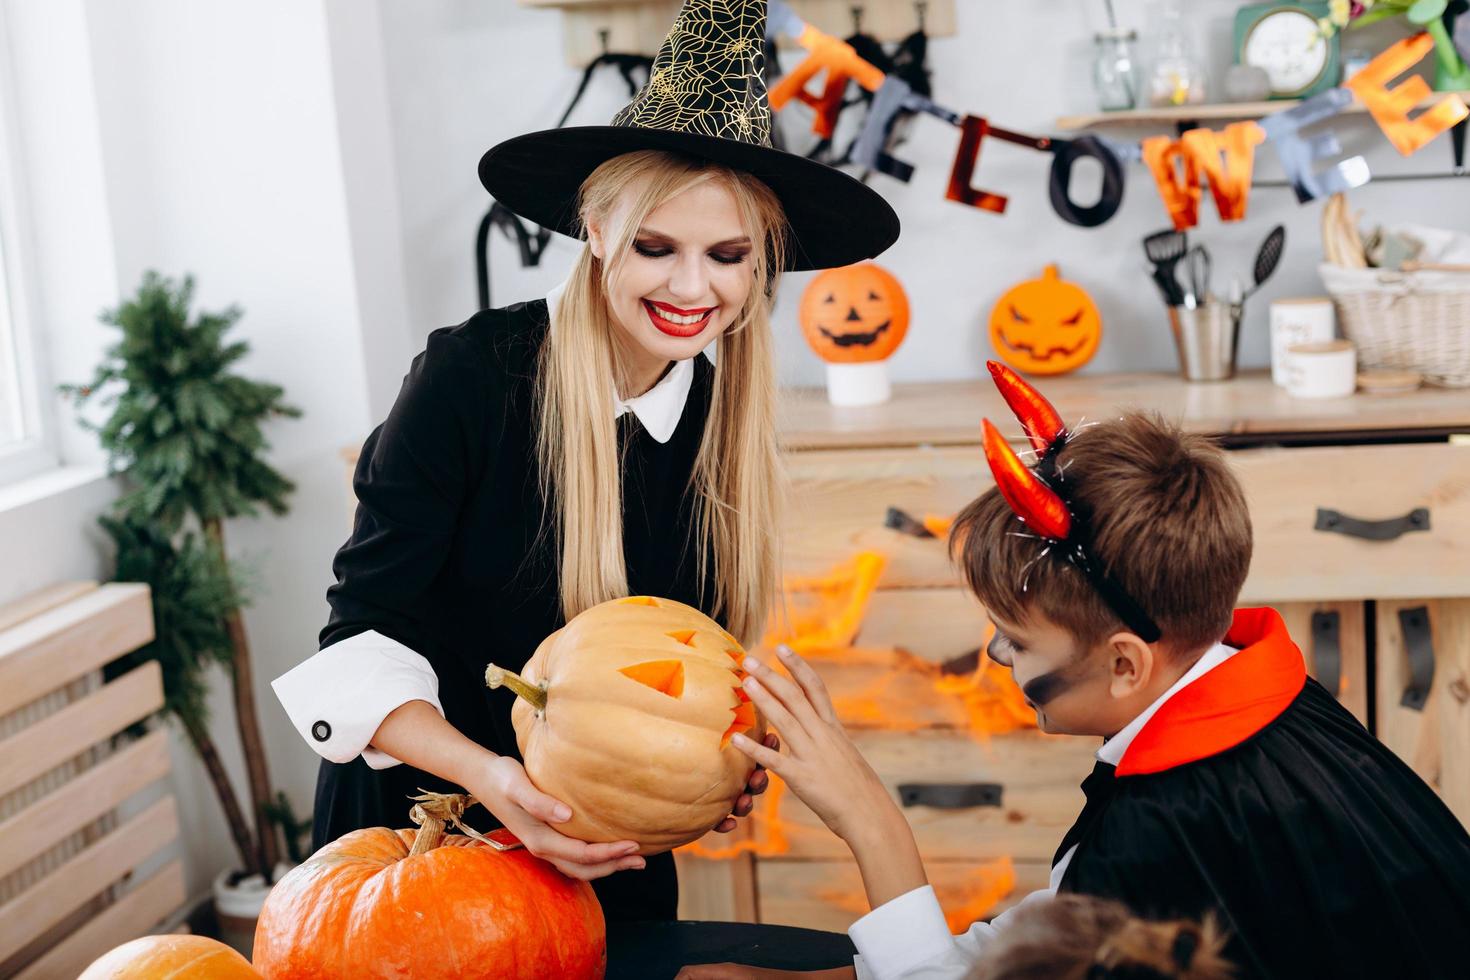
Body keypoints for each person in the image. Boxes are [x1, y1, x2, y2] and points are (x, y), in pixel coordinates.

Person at [270, 0, 899, 923]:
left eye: (728, 256)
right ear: (597, 229)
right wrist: (496, 781)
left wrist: (701, 770)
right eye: (657, 247)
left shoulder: (719, 419)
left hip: (609, 860)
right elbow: (360, 640)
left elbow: (678, 672)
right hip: (429, 848)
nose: (694, 288)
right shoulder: (471, 379)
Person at [684, 363, 1470, 975]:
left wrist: (869, 819)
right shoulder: (1268, 705)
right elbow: (1066, 916)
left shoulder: (1161, 832)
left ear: (1125, 664)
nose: (995, 655)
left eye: (1018, 643)